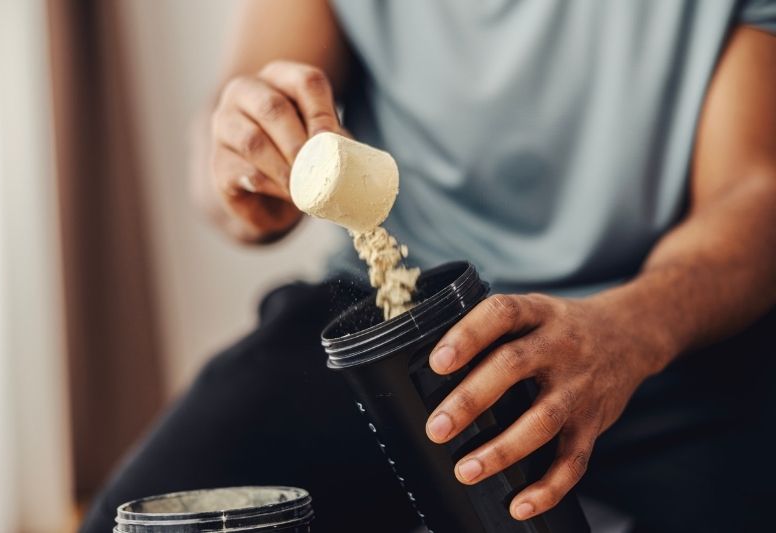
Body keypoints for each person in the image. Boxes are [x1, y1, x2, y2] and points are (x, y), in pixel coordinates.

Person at [82, 1, 776, 532]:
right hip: (386, 309)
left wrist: (631, 332)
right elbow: (232, 179)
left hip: (656, 331)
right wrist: (245, 173)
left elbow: (754, 188)